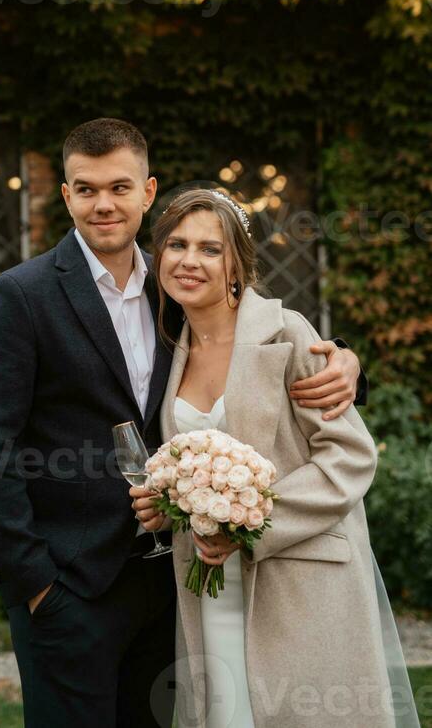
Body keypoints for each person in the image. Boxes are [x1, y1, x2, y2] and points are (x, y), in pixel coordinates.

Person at [0, 119, 367, 728]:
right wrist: (34, 583)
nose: (104, 204)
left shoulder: (172, 291)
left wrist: (351, 363)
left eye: (119, 187)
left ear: (147, 194)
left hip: (169, 591)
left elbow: (256, 353)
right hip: (70, 590)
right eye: (86, 188)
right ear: (66, 195)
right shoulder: (23, 295)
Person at [131, 188, 419, 728]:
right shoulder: (171, 346)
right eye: (176, 245)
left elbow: (349, 457)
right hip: (209, 585)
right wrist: (167, 504)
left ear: (238, 263)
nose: (189, 261)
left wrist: (247, 526)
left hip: (299, 582)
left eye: (210, 249)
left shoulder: (286, 335)